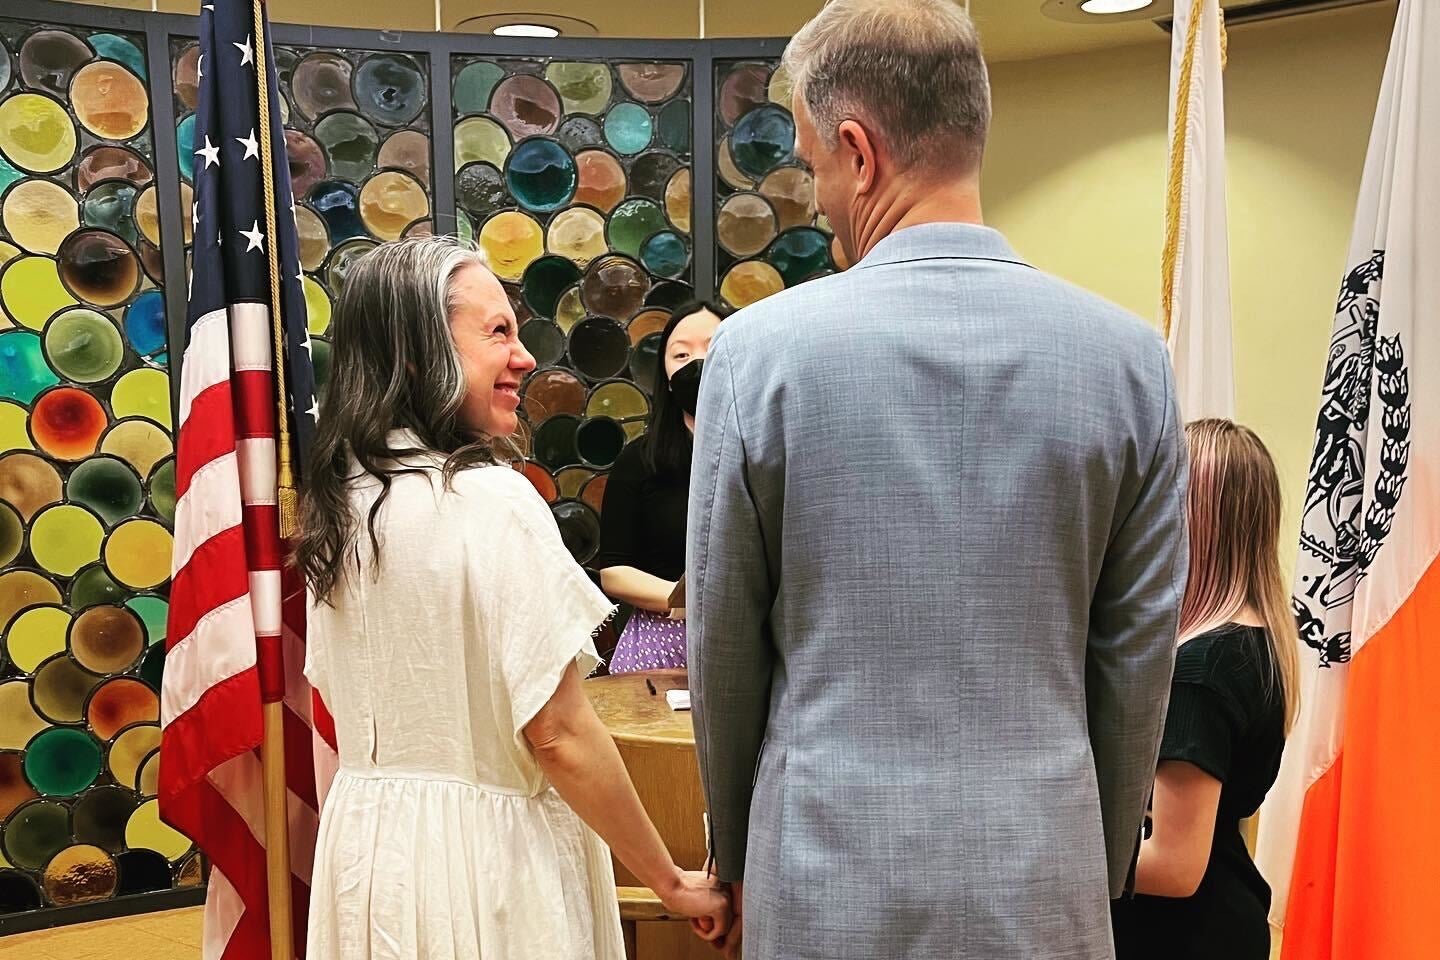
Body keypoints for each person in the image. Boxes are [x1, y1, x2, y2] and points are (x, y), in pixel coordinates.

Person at [685, 2, 1187, 958]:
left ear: (858, 151)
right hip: (1044, 880)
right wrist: (1100, 854)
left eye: (812, 166)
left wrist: (740, 854)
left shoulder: (757, 356)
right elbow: (1137, 664)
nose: (817, 195)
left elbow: (724, 651)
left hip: (823, 878)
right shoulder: (1132, 365)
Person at [296, 237, 728, 960]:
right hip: (487, 863)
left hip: (368, 853)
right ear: (416, 353)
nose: (527, 357)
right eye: (498, 332)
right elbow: (558, 735)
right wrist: (671, 882)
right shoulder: (492, 500)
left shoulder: (341, 502)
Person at [1111, 419, 1299, 960]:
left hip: (1182, 938)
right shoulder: (1259, 645)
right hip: (1222, 922)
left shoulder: (1203, 669)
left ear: (1197, 519)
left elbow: (1174, 867)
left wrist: (1056, 857)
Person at [595, 302, 726, 673]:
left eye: (713, 347)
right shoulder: (639, 461)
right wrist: (688, 602)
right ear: (665, 375)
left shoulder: (766, 453)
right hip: (662, 644)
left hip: (749, 642)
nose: (697, 363)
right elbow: (615, 571)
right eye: (681, 354)